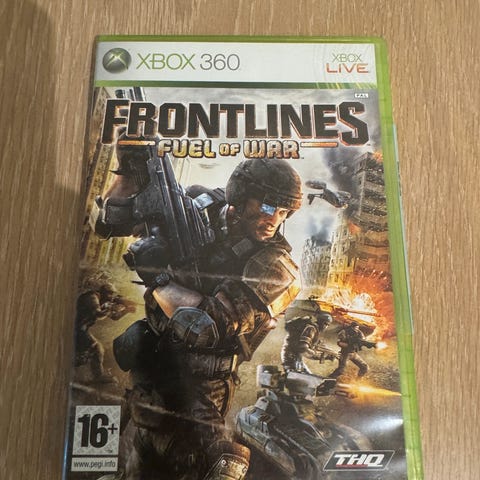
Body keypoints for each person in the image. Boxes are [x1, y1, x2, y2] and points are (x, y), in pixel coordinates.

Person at [107, 154, 303, 480]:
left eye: (284, 212)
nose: (275, 219)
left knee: (208, 465)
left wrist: (159, 277)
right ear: (240, 196)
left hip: (198, 386)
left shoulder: (276, 266)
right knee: (132, 464)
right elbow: (113, 222)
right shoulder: (199, 206)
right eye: (269, 206)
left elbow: (205, 326)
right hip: (149, 366)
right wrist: (129, 168)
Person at [281, 299, 336, 374]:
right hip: (291, 357)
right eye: (325, 324)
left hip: (296, 357)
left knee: (308, 376)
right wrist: (320, 356)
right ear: (320, 321)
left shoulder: (314, 330)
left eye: (328, 325)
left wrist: (329, 354)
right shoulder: (311, 329)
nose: (326, 327)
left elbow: (316, 347)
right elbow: (303, 349)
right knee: (300, 378)